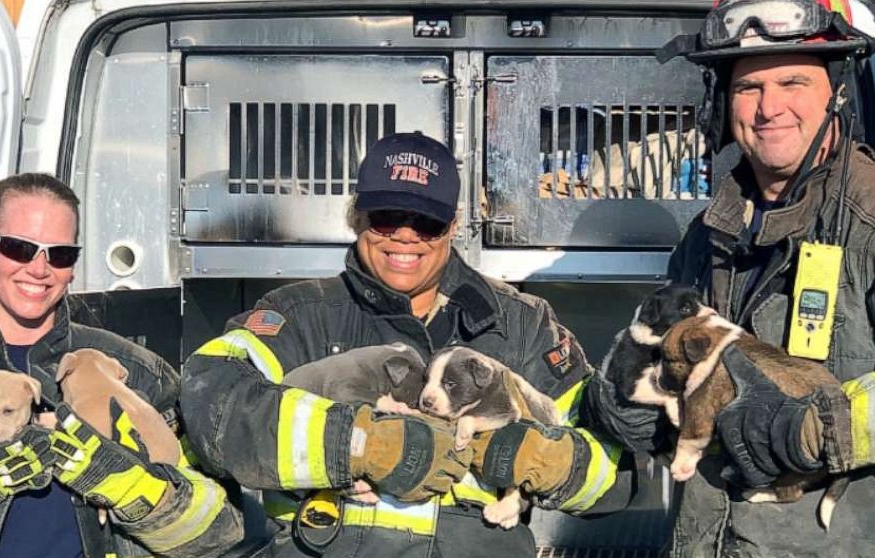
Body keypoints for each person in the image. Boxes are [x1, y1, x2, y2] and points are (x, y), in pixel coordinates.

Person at [181, 132, 630, 557]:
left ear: (453, 226)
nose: (405, 235)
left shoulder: (523, 324)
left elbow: (615, 469)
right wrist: (354, 443)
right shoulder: (300, 315)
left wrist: (549, 460)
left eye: (427, 222)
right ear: (357, 217)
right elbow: (211, 399)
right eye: (387, 217)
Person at [584, 0, 875, 556]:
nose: (770, 107)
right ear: (724, 105)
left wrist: (812, 430)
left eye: (793, 81)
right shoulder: (707, 234)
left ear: (836, 94)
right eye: (749, 88)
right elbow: (662, 403)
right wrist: (625, 396)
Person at [0, 173, 243, 557]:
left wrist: (142, 494)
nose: (39, 269)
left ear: (73, 266)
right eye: (19, 247)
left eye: (59, 253)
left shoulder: (137, 372)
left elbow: (221, 531)